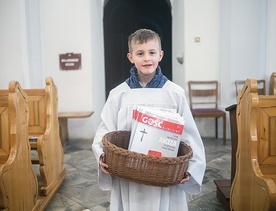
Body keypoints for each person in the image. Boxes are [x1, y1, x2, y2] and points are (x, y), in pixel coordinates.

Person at [92, 28, 206, 211]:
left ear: (160, 55)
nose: (147, 58)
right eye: (140, 53)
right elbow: (105, 129)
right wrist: (101, 154)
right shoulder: (119, 94)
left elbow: (189, 135)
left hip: (165, 172)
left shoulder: (175, 93)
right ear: (131, 57)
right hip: (129, 172)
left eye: (152, 52)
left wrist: (191, 168)